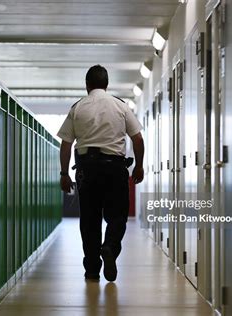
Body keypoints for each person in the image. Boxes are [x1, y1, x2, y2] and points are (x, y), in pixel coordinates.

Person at [57, 64, 145, 282]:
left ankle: (92, 270)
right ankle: (110, 247)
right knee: (117, 216)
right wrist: (139, 166)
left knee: (89, 220)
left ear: (87, 85)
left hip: (87, 169)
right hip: (115, 168)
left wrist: (64, 173)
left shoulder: (77, 107)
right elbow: (138, 139)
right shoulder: (121, 106)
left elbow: (66, 144)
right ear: (106, 85)